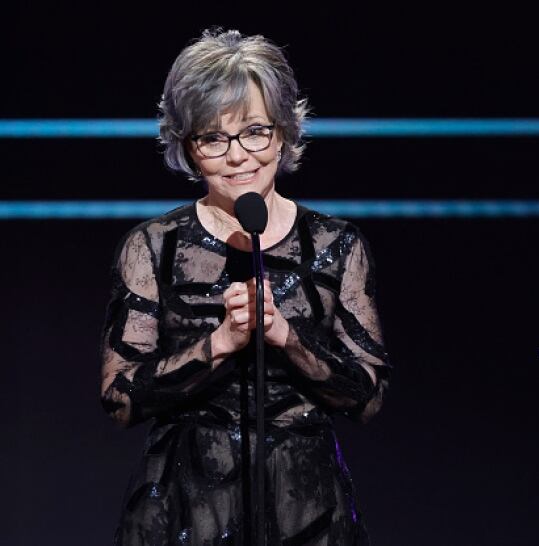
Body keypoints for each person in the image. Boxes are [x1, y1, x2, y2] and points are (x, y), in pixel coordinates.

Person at [100, 28, 390, 545]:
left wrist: (285, 337)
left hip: (306, 509)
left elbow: (366, 397)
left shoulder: (337, 243)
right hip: (184, 510)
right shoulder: (154, 246)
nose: (237, 156)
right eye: (213, 138)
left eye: (255, 131)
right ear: (186, 147)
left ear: (284, 132)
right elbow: (120, 398)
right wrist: (219, 345)